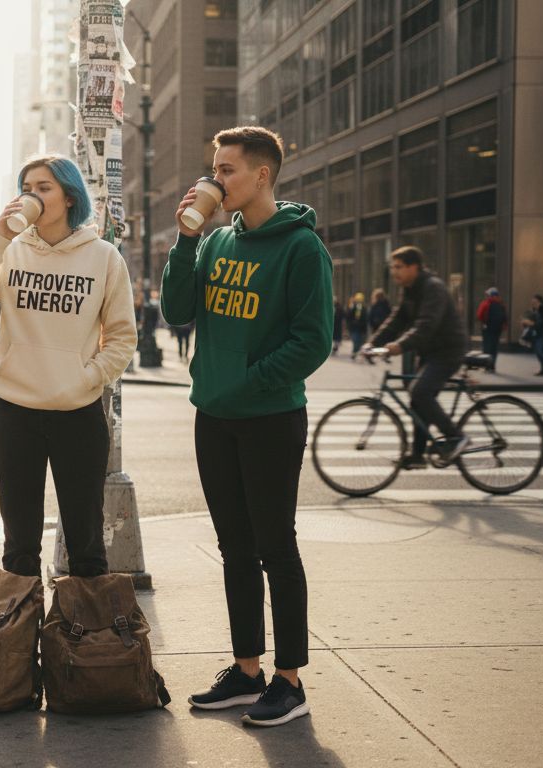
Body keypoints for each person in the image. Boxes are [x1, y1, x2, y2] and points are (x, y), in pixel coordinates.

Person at [161, 126, 332, 727]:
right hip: (215, 416)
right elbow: (177, 312)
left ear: (262, 175)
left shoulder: (301, 248)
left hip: (269, 418)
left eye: (227, 170)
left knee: (274, 547)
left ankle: (289, 680)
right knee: (234, 547)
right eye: (215, 168)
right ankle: (246, 668)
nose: (215, 179)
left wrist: (252, 378)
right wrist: (186, 242)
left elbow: (314, 340)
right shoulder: (216, 242)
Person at [0, 153, 137, 582]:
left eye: (43, 187)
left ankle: (86, 647)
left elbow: (123, 337)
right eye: (26, 188)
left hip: (78, 414)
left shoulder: (104, 257)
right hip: (14, 412)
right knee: (18, 549)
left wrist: (86, 378)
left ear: (69, 196)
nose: (31, 196)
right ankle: (18, 647)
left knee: (87, 547)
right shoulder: (10, 251)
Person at [365, 246, 471, 466]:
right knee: (417, 399)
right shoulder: (410, 289)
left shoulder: (434, 288)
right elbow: (397, 320)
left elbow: (426, 325)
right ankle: (417, 455)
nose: (394, 272)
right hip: (430, 351)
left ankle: (456, 436)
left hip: (448, 350)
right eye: (393, 267)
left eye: (399, 267)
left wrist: (398, 346)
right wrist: (372, 343)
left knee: (420, 392)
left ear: (414, 267)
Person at [476, 287, 506, 372]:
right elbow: (505, 317)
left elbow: (479, 315)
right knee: (494, 347)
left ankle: (487, 366)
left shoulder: (485, 304)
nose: (486, 296)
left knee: (487, 347)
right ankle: (493, 366)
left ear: (491, 295)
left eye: (487, 295)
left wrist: (483, 322)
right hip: (497, 329)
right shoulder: (501, 304)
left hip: (487, 329)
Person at [520, 294, 543, 376]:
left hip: (540, 334)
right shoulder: (534, 310)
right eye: (532, 302)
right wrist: (524, 322)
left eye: (534, 301)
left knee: (539, 351)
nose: (532, 303)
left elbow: (540, 323)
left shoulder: (542, 311)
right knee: (537, 352)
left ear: (539, 302)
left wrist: (530, 323)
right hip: (534, 334)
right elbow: (529, 319)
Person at [368, 288, 392, 365]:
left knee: (377, 342)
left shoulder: (376, 304)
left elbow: (371, 315)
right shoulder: (385, 304)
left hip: (377, 326)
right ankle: (385, 355)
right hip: (383, 325)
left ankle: (372, 356)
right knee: (384, 342)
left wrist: (372, 323)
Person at [346, 292, 370, 360]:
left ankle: (356, 352)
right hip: (355, 328)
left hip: (360, 328)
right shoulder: (353, 307)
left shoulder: (364, 308)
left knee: (359, 341)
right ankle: (354, 352)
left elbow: (365, 319)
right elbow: (348, 316)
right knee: (356, 340)